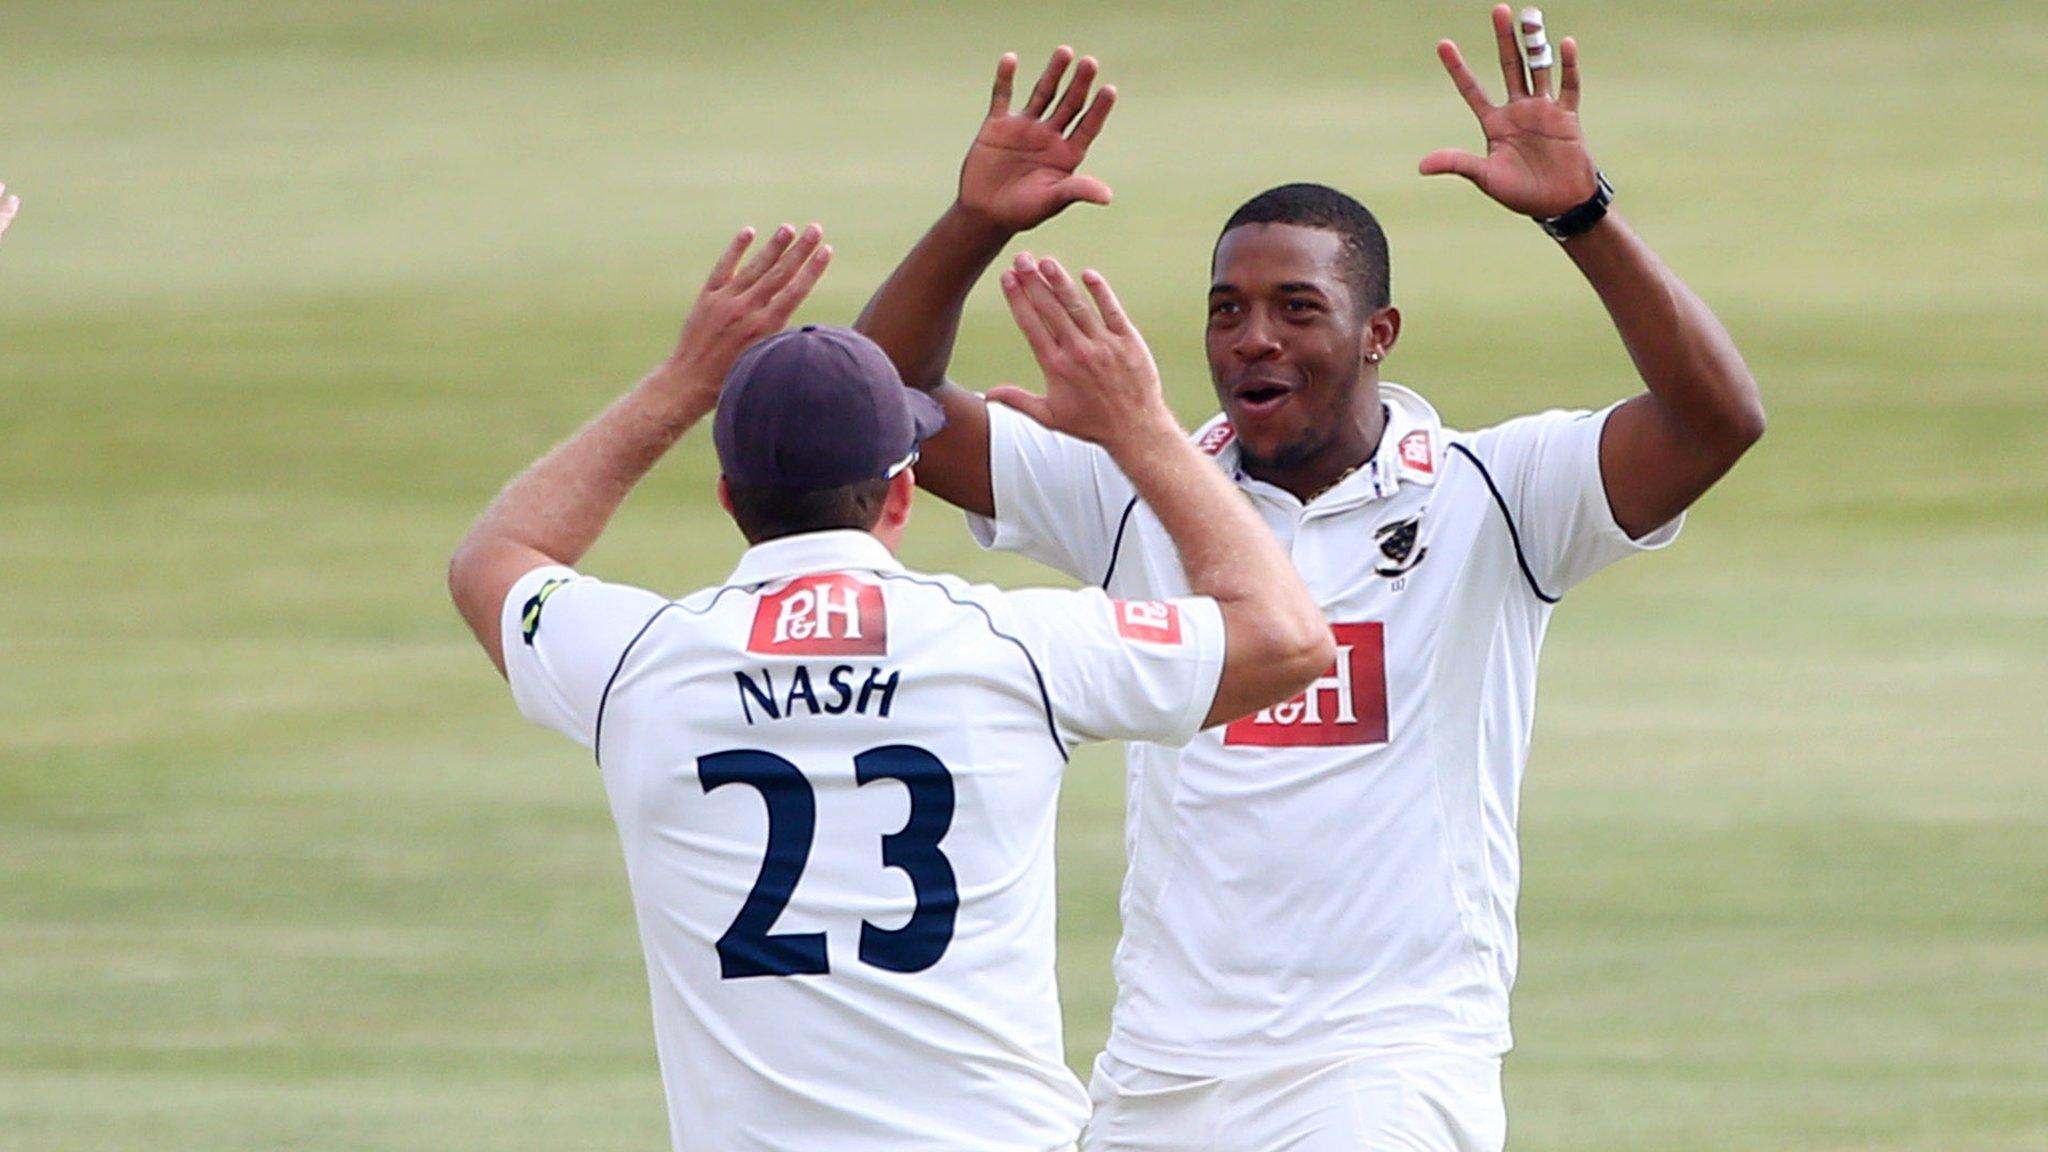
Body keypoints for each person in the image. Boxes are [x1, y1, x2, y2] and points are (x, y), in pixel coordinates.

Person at [854, 7, 1765, 1150]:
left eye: (1297, 308)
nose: (1251, 339)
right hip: (1163, 1069)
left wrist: (1583, 219)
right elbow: (870, 410)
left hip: (1386, 1059)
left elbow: (1714, 420)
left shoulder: (1492, 494)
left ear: (1377, 330)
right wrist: (969, 227)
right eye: (1225, 311)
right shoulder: (1138, 477)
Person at [446, 222, 1332, 1152]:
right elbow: (1286, 637)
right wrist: (1142, 431)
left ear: (730, 498)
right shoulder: (1009, 649)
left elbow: (493, 561)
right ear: (900, 496)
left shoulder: (640, 663)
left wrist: (684, 382)